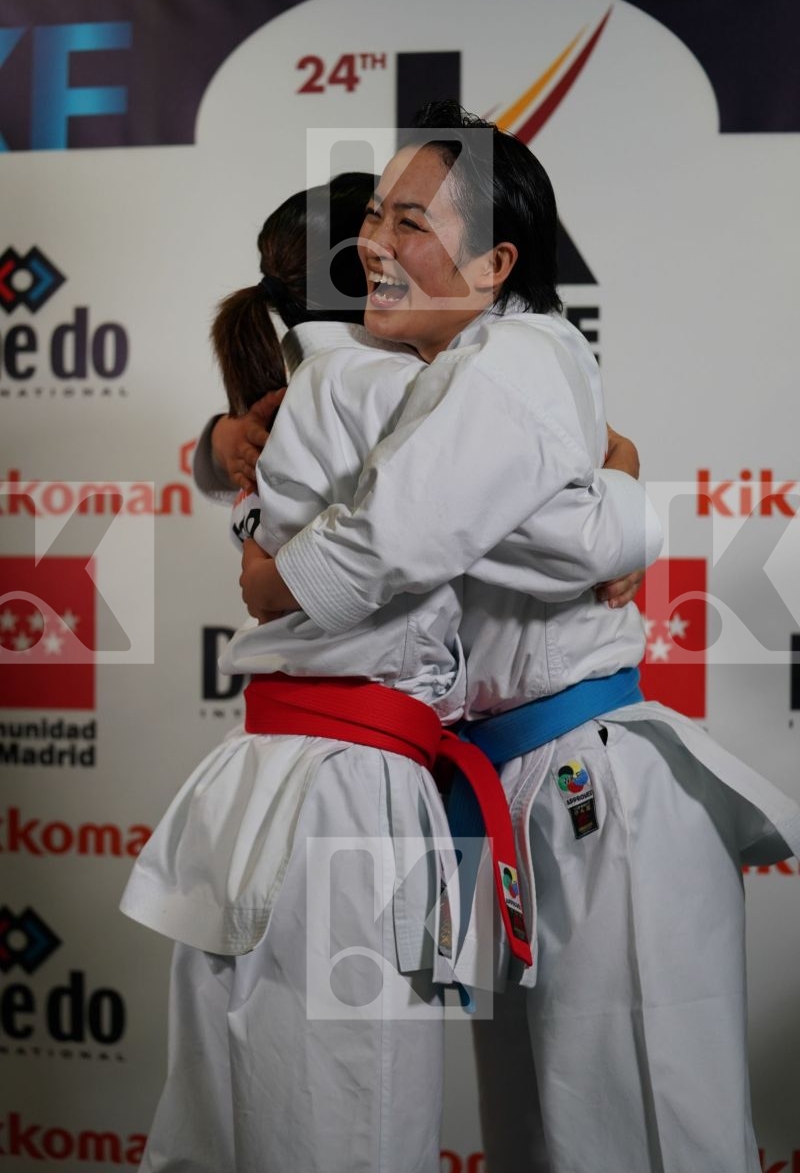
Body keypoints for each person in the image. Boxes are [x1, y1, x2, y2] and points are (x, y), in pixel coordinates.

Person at [239, 102, 800, 1173]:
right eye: (370, 219)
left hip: (593, 785)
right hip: (509, 792)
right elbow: (514, 517)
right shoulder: (419, 382)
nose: (375, 243)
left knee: (642, 1134)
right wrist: (621, 487)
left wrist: (271, 575)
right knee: (544, 1138)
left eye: (409, 223)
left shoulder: (516, 359)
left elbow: (405, 539)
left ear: (494, 262)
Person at [122, 168, 654, 1173]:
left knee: (228, 1127)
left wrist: (220, 442)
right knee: (352, 1134)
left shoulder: (299, 390)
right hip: (346, 800)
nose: (400, 246)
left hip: (271, 782)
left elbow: (249, 450)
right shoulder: (401, 391)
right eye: (385, 226)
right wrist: (624, 483)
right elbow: (564, 531)